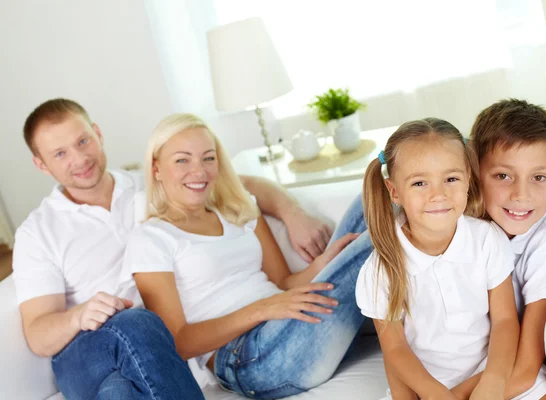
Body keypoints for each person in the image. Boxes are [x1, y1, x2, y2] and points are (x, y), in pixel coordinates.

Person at [12, 98, 334, 399]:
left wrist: (293, 212)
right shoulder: (38, 231)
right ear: (41, 164)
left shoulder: (149, 182)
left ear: (97, 134)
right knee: (137, 321)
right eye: (60, 154)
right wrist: (79, 315)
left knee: (121, 391)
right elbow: (39, 335)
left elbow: (237, 184)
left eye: (82, 141)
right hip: (88, 347)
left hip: (150, 350)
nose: (79, 159)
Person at [122, 113, 373, 398]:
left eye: (208, 158)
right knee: (379, 238)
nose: (199, 171)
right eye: (182, 160)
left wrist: (322, 264)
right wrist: (263, 309)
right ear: (156, 168)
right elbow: (179, 341)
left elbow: (284, 282)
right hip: (250, 357)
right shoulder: (152, 238)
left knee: (373, 196)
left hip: (297, 327)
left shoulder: (238, 212)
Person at [356, 118, 527, 400]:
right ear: (394, 191)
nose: (438, 195)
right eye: (420, 183)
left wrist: (493, 382)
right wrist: (437, 395)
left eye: (451, 179)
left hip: (492, 372)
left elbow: (505, 321)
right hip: (429, 387)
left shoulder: (486, 239)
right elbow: (395, 348)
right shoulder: (380, 269)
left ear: (467, 180)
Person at [452, 99, 546, 400]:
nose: (521, 195)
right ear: (474, 172)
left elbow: (525, 370)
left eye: (538, 177)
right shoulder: (463, 216)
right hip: (461, 352)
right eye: (503, 176)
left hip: (510, 363)